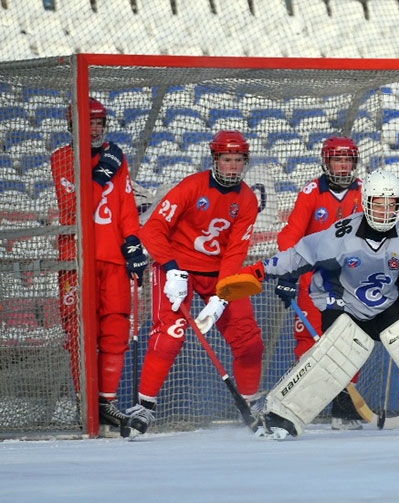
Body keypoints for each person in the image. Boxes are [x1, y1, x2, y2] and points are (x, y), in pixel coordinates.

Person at [236, 169, 399, 439]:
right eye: (379, 203)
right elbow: (300, 254)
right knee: (333, 357)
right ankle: (280, 415)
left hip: (385, 302)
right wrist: (259, 272)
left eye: (391, 204)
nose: (385, 211)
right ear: (366, 202)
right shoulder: (341, 236)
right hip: (342, 303)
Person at [126, 130, 264, 437]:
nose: (232, 167)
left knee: (249, 339)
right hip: (178, 269)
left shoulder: (247, 199)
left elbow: (236, 250)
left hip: (219, 273)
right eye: (227, 159)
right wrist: (173, 269)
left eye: (238, 160)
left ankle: (250, 404)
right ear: (215, 159)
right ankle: (145, 408)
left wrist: (223, 294)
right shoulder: (192, 186)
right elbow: (152, 230)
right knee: (171, 334)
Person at [51, 97, 147, 436]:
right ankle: (86, 403)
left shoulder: (115, 158)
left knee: (116, 329)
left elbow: (124, 204)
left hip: (112, 257)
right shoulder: (62, 158)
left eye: (98, 123)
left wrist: (133, 244)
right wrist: (104, 167)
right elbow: (80, 201)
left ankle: (106, 403)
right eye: (87, 123)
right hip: (76, 258)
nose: (93, 129)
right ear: (72, 126)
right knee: (79, 331)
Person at [277, 135, 363, 430]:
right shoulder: (311, 192)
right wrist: (288, 271)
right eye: (337, 160)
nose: (343, 166)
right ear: (326, 162)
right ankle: (299, 401)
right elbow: (291, 235)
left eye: (348, 160)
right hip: (315, 279)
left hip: (352, 279)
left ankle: (343, 400)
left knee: (353, 338)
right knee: (310, 341)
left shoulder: (364, 191)